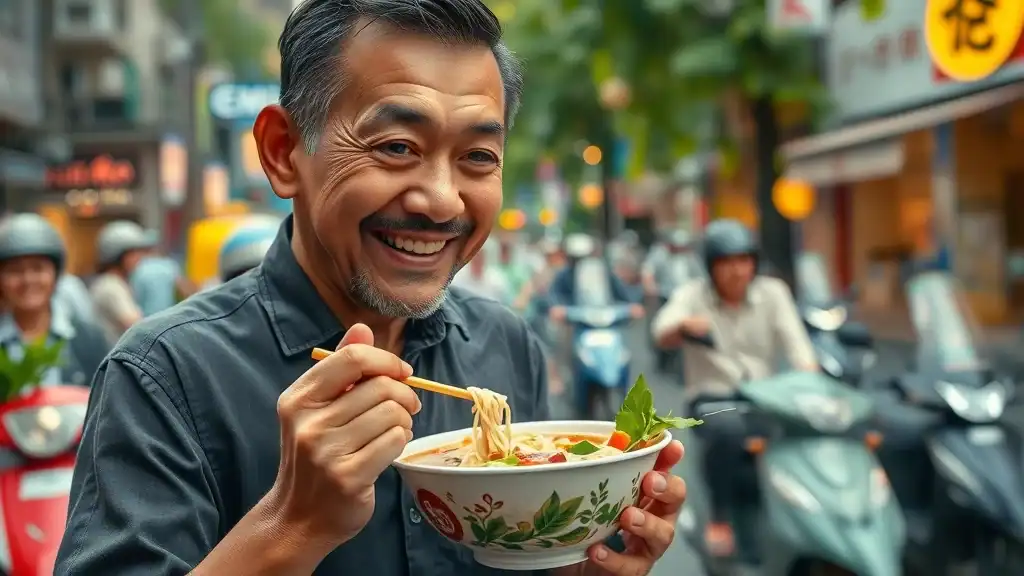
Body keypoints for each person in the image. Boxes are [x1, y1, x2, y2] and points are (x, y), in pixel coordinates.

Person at [54, 2, 686, 575]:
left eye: (478, 157)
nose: (441, 201)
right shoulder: (165, 376)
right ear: (283, 152)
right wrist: (292, 526)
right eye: (396, 147)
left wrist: (579, 564)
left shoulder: (503, 345)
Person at [650, 218, 816, 560]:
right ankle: (719, 517)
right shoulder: (693, 295)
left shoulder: (774, 293)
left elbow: (801, 351)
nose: (737, 271)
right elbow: (660, 330)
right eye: (726, 263)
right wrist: (682, 326)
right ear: (711, 267)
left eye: (744, 260)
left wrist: (811, 382)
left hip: (765, 396)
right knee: (725, 429)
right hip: (714, 400)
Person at [0, 214, 110, 387]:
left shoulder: (87, 338)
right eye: (15, 271)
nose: (28, 280)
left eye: (38, 268)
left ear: (55, 274)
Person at [89, 220, 156, 344]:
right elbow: (138, 328)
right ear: (118, 256)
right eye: (134, 253)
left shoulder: (111, 282)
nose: (139, 258)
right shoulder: (111, 287)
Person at [130, 252, 196, 317]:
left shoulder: (139, 267)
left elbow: (135, 295)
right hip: (167, 317)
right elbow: (184, 290)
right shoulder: (170, 265)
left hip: (144, 319)